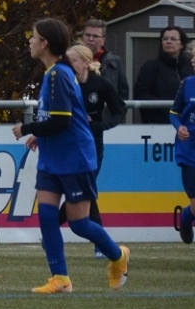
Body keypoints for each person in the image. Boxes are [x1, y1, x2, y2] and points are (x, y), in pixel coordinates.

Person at [13, 18, 129, 294]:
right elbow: (57, 116)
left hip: (74, 157)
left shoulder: (59, 75)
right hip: (52, 157)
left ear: (45, 43)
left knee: (79, 224)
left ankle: (118, 255)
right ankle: (61, 279)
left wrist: (28, 128)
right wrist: (40, 133)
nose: (30, 41)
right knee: (47, 216)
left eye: (33, 36)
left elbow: (63, 121)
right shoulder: (53, 73)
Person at [64, 43, 124, 236]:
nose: (69, 64)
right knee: (84, 191)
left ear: (86, 63)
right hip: (69, 145)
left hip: (92, 145)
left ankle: (51, 227)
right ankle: (100, 240)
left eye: (73, 60)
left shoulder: (100, 85)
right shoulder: (65, 84)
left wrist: (100, 126)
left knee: (84, 188)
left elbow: (119, 112)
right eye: (67, 61)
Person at [133, 26, 191, 125]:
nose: (168, 42)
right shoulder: (151, 66)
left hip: (187, 123)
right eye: (165, 39)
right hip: (159, 124)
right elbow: (141, 94)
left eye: (173, 39)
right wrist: (166, 107)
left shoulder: (190, 67)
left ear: (182, 44)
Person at [79, 19, 130, 118]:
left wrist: (117, 117)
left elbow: (123, 91)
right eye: (87, 35)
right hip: (78, 118)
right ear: (82, 37)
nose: (91, 39)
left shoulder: (115, 61)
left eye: (95, 36)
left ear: (103, 40)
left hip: (106, 119)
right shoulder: (71, 59)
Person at [172, 70, 195, 244]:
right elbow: (174, 112)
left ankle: (187, 214)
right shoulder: (188, 83)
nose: (193, 61)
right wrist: (179, 126)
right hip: (189, 150)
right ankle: (186, 218)